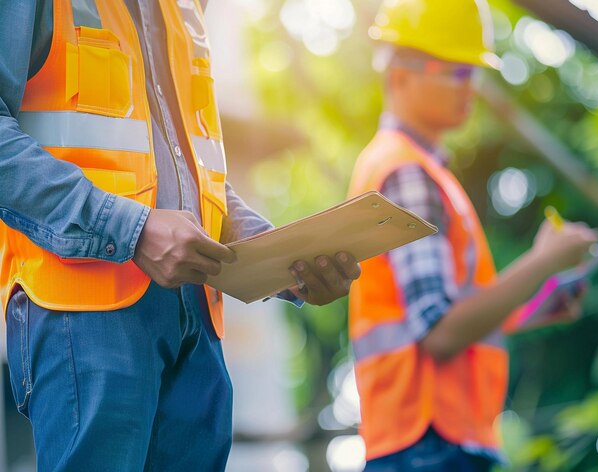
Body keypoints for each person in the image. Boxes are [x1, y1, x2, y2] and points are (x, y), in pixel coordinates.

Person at [0, 1, 360, 470]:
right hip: (84, 313)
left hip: (196, 319)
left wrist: (276, 253)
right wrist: (130, 228)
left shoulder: (181, 10)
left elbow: (189, 169)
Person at [348, 0, 598, 470]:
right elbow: (439, 332)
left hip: (426, 441)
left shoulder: (418, 171)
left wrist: (529, 306)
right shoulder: (408, 174)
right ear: (401, 73)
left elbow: (440, 315)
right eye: (456, 72)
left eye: (473, 73)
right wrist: (543, 262)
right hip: (431, 443)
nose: (471, 88)